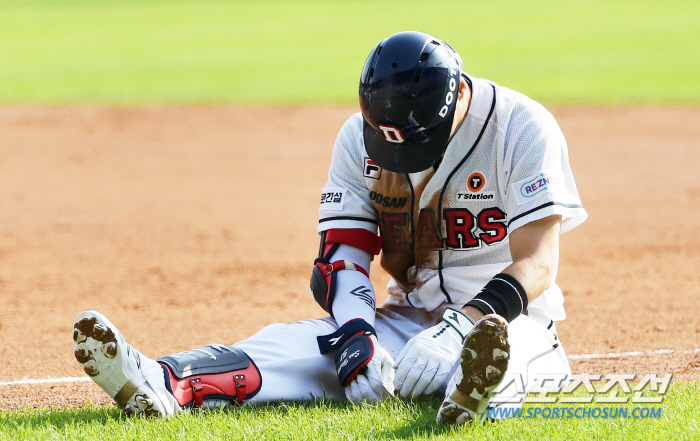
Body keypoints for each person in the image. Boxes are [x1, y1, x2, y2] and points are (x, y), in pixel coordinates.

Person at [72, 30, 587, 424]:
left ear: (450, 111)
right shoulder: (358, 138)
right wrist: (357, 336)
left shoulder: (521, 129)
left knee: (505, 357)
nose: (396, 153)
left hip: (509, 321)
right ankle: (163, 381)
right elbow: (341, 254)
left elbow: (538, 262)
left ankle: (474, 388)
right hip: (409, 320)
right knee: (294, 347)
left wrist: (457, 330)